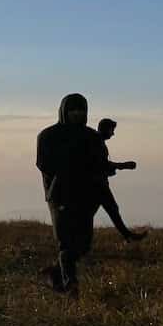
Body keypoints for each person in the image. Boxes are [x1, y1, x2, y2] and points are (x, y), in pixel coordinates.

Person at [36, 93, 108, 296]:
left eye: (81, 109)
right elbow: (44, 164)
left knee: (84, 245)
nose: (77, 113)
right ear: (64, 111)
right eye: (72, 109)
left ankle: (54, 274)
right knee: (66, 242)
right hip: (59, 195)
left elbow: (100, 163)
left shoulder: (92, 137)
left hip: (86, 197)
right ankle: (70, 285)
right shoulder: (48, 136)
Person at [97, 118, 146, 241]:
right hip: (97, 185)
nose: (113, 134)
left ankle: (127, 235)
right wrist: (123, 165)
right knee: (111, 208)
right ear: (105, 129)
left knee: (111, 209)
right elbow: (101, 164)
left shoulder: (97, 142)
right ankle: (128, 235)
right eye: (111, 130)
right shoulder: (97, 143)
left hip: (98, 183)